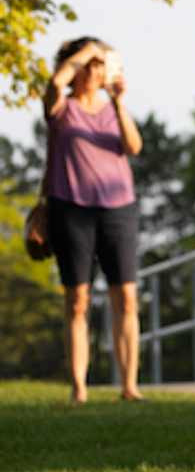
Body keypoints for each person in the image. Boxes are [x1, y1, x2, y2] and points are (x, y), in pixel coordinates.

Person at [42, 36, 143, 407]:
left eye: (101, 64)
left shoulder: (112, 108)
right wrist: (86, 51)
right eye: (89, 64)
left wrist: (118, 101)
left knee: (127, 298)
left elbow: (133, 147)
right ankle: (79, 389)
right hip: (70, 207)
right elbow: (55, 83)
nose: (95, 70)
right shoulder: (60, 107)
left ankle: (130, 385)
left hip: (119, 208)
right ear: (75, 67)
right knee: (78, 301)